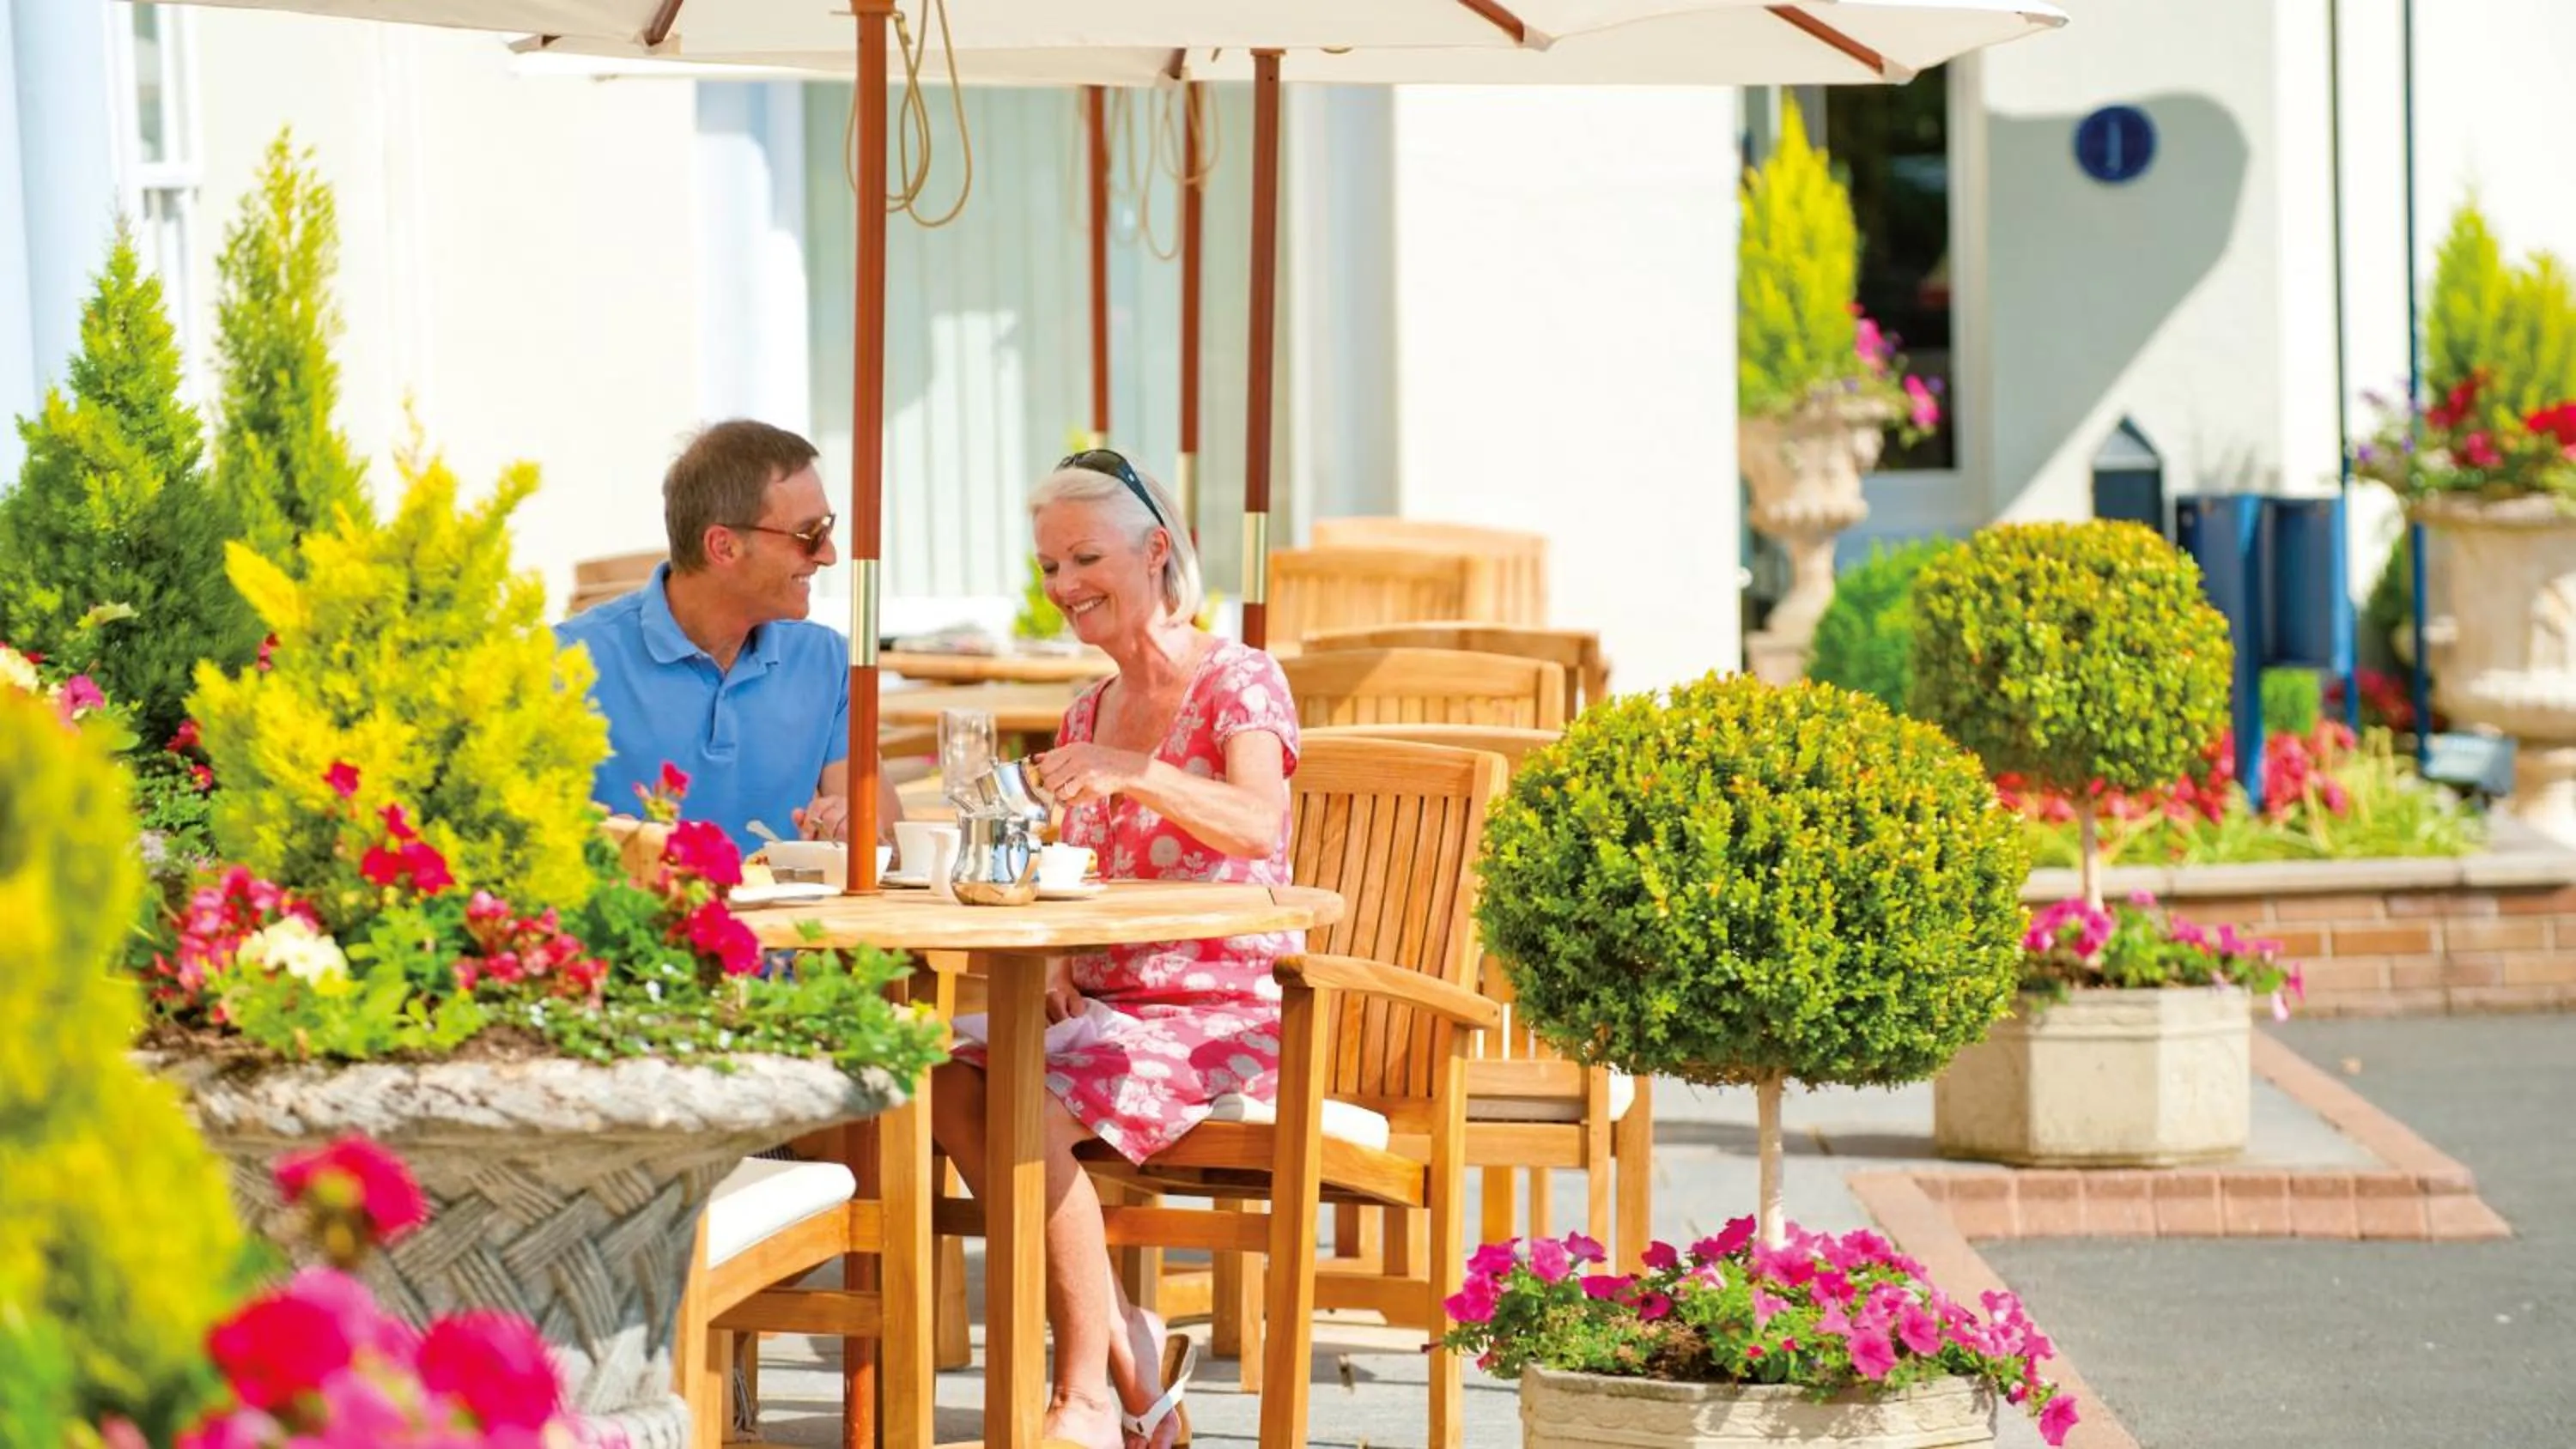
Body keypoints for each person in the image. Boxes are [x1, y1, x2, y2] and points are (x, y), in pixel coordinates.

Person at [929, 449, 1298, 1449]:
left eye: (1084, 558)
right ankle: (1134, 1343)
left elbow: (1257, 821)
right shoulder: (1085, 709)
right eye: (1050, 565)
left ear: (1156, 550)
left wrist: (1134, 770)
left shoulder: (1238, 678)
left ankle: (1085, 1391)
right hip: (1104, 1009)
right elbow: (1082, 867)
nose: (1063, 585)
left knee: (1025, 1100)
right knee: (936, 1070)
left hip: (1224, 1014)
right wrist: (1057, 957)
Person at [555, 419, 902, 855]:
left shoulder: (824, 660)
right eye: (809, 535)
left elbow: (890, 846)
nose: (828, 555)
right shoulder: (568, 665)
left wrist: (854, 827)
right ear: (723, 546)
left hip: (792, 903)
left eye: (827, 529)